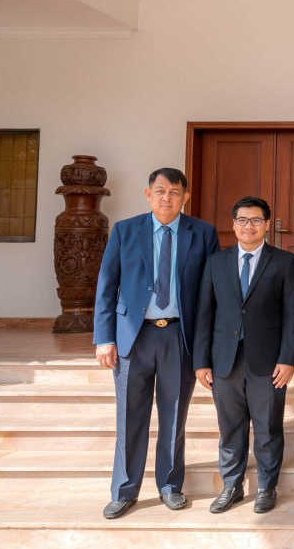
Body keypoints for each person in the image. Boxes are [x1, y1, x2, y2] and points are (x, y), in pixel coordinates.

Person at [94, 167, 219, 519]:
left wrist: (206, 348)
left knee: (174, 416)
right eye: (160, 191)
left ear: (186, 197)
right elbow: (106, 285)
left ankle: (170, 485)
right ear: (148, 194)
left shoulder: (203, 233)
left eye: (175, 192)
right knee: (130, 417)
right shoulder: (125, 230)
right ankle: (124, 490)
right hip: (133, 338)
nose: (167, 198)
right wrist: (104, 338)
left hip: (179, 336)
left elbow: (211, 294)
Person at [193, 196, 294, 514]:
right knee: (230, 427)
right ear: (233, 224)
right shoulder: (216, 262)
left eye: (256, 220)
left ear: (267, 225)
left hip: (268, 362)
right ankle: (232, 486)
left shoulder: (284, 262)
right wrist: (201, 361)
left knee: (268, 427)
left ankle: (267, 487)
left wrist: (288, 358)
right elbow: (205, 313)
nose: (248, 226)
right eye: (242, 220)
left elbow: (292, 315)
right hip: (224, 360)